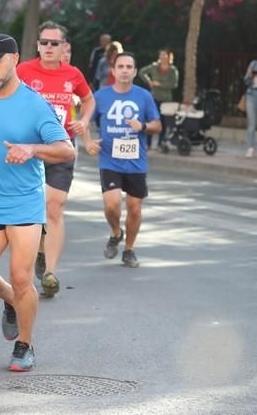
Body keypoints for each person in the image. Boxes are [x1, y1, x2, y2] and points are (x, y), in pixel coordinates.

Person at [0, 33, 74, 372]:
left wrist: (33, 149)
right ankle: (10, 300)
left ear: (15, 59)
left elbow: (66, 149)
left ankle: (25, 345)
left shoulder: (35, 105)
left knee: (22, 277)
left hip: (24, 203)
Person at [16, 21, 95, 298]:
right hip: (29, 148)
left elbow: (88, 99)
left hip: (61, 148)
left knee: (54, 206)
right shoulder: (23, 71)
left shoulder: (73, 74)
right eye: (44, 42)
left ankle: (50, 272)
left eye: (54, 43)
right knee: (35, 207)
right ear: (38, 45)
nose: (49, 47)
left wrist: (83, 121)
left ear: (64, 47)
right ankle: (38, 249)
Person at [84, 52, 161, 268]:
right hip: (110, 160)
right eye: (121, 66)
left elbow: (157, 124)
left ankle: (129, 249)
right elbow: (84, 120)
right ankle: (116, 232)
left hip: (136, 162)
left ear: (135, 72)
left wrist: (143, 126)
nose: (125, 70)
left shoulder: (144, 96)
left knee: (135, 208)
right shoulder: (100, 96)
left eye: (129, 66)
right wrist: (88, 141)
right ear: (113, 70)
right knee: (112, 206)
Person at [140, 49, 179, 150]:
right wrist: (149, 81)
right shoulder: (154, 67)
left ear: (169, 57)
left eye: (165, 56)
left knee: (163, 122)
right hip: (154, 97)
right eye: (162, 55)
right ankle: (147, 143)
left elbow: (173, 84)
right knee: (151, 119)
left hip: (166, 99)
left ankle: (160, 143)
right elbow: (141, 72)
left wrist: (160, 85)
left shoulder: (173, 70)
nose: (163, 58)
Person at [242, 59, 257, 158]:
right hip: (251, 95)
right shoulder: (253, 64)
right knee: (251, 123)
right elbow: (246, 81)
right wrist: (249, 75)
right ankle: (251, 148)